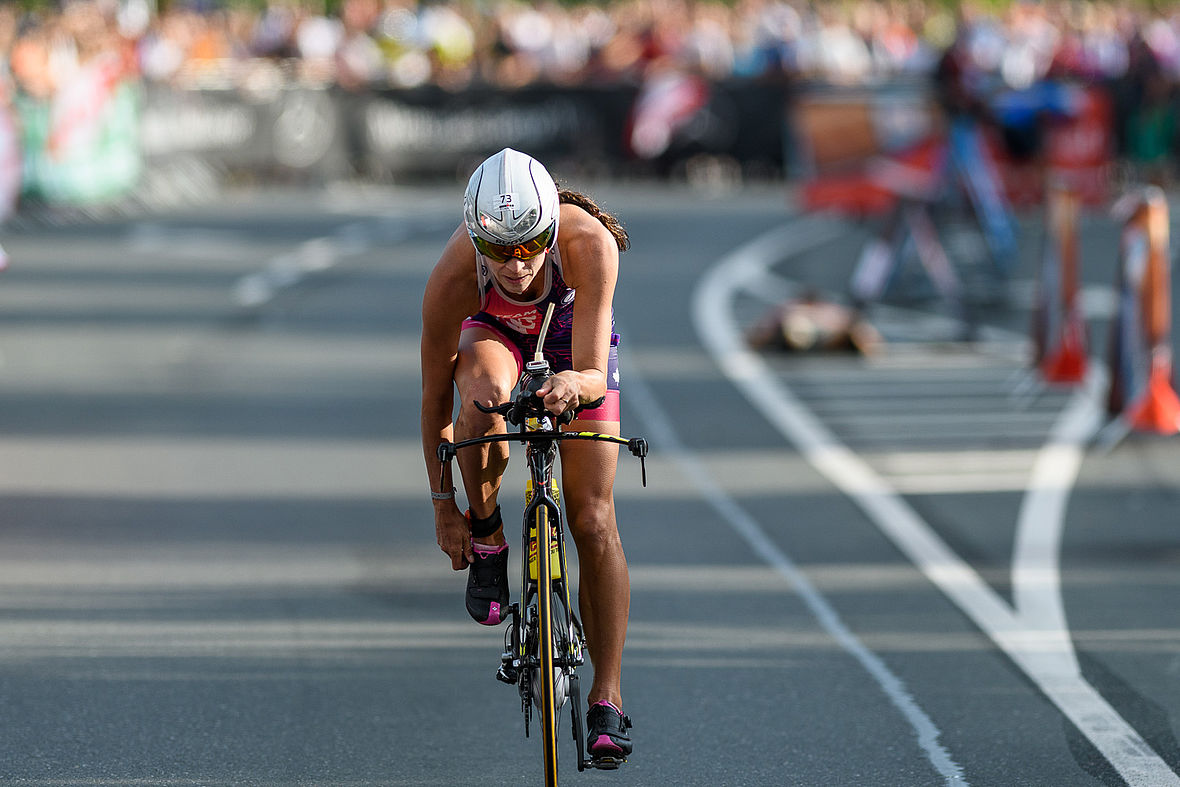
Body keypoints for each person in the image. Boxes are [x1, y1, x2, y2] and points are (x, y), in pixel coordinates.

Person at [420, 148, 633, 762]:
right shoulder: (454, 277)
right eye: (498, 252)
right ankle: (492, 538)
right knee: (482, 400)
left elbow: (593, 371)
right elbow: (433, 400)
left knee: (592, 517)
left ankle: (608, 698)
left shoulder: (589, 245)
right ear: (475, 239)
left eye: (530, 246)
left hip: (574, 344)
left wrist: (571, 386)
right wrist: (446, 509)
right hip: (495, 334)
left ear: (550, 228)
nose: (515, 266)